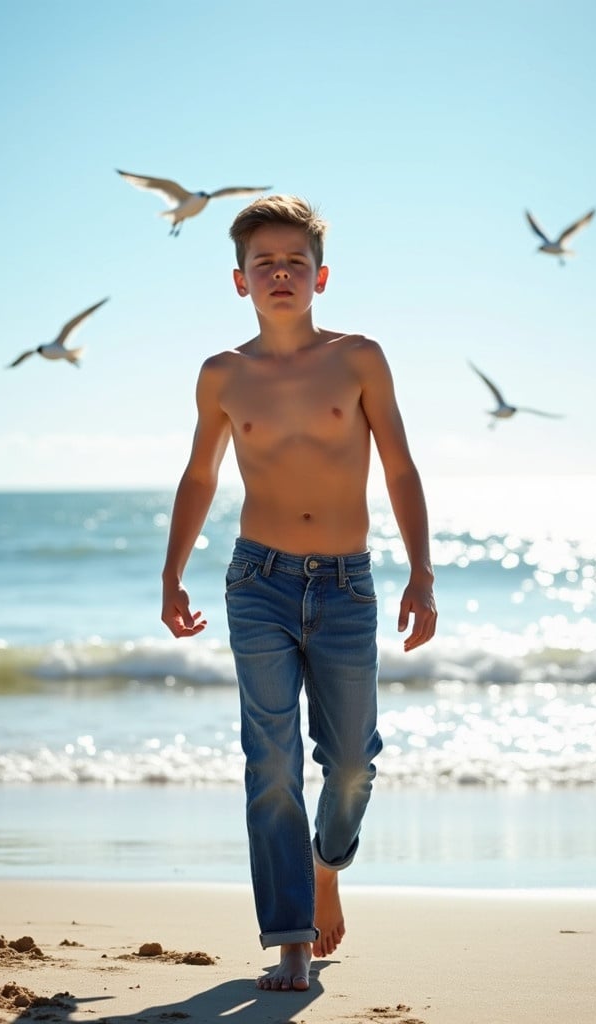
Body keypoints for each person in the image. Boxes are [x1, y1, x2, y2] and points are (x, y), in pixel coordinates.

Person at [160, 195, 437, 992]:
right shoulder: (223, 374)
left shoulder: (359, 359)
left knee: (351, 764)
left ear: (321, 274)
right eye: (262, 263)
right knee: (271, 760)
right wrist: (172, 573)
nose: (279, 273)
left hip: (348, 585)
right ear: (239, 281)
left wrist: (421, 572)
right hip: (259, 583)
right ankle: (290, 937)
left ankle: (326, 865)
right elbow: (200, 475)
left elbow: (402, 468)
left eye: (293, 261)